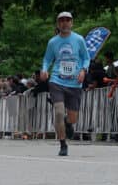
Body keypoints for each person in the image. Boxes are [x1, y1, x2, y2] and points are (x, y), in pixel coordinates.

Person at [39, 13, 91, 155]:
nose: (65, 23)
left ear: (72, 23)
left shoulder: (79, 39)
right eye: (61, 21)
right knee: (59, 112)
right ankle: (63, 144)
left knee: (72, 118)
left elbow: (86, 58)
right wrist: (44, 70)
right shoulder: (53, 42)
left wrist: (83, 71)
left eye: (67, 20)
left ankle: (68, 124)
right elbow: (47, 60)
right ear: (58, 24)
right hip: (57, 80)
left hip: (74, 83)